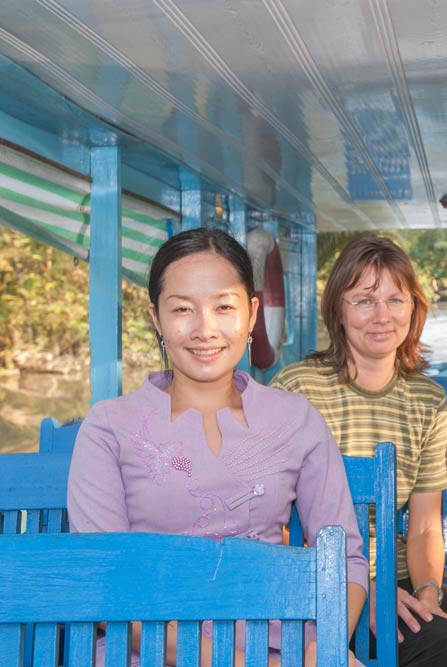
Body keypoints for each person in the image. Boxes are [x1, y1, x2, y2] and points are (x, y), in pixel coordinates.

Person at [67, 228, 369, 666]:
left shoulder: (295, 419)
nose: (204, 329)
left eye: (223, 307)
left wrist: (319, 653)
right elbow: (106, 587)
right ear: (156, 318)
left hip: (283, 650)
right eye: (182, 309)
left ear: (250, 314)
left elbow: (344, 559)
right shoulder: (110, 427)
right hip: (146, 653)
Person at [271, 236, 447, 667]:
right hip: (322, 578)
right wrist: (360, 587)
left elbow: (424, 525)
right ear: (339, 310)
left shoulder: (427, 399)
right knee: (445, 646)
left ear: (414, 308)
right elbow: (275, 521)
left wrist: (427, 592)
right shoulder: (297, 389)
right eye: (365, 301)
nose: (382, 316)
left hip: (397, 571)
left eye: (395, 300)